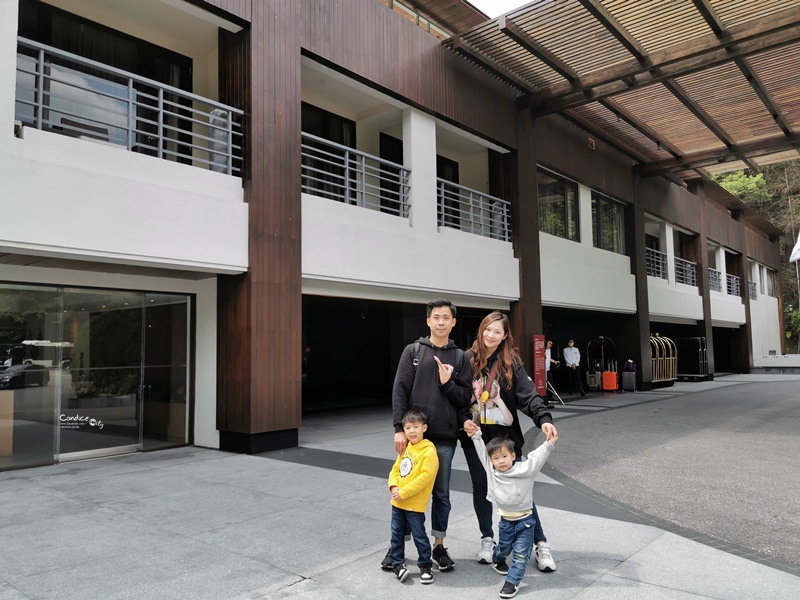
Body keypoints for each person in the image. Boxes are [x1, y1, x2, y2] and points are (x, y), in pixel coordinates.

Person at [455, 311, 558, 571]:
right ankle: (487, 539)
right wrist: (463, 418)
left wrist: (543, 417)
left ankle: (540, 543)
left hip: (506, 442)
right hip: (476, 439)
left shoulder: (510, 362)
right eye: (487, 329)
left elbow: (528, 394)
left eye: (497, 332)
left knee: (519, 493)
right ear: (481, 330)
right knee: (481, 489)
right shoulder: (465, 360)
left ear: (504, 336)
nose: (491, 335)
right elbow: (457, 398)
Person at [382, 298, 472, 572]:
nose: (441, 321)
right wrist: (399, 428)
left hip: (444, 437)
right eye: (436, 317)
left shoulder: (460, 358)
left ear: (453, 322)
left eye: (446, 317)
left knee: (441, 494)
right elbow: (400, 391)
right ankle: (397, 546)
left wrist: (447, 384)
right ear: (428, 321)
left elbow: (465, 397)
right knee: (405, 492)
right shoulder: (413, 352)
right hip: (412, 439)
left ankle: (438, 545)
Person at [468, 428, 557, 599]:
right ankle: (497, 559)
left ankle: (512, 582)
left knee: (521, 556)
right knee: (504, 548)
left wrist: (549, 444)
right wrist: (476, 436)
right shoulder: (492, 472)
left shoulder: (525, 471)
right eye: (496, 458)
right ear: (491, 461)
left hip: (526, 523)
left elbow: (536, 458)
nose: (500, 461)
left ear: (513, 456)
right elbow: (481, 453)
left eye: (504, 456)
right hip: (506, 522)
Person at [387, 410, 439, 584]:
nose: (411, 431)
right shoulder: (406, 448)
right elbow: (395, 469)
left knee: (419, 535)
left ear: (424, 428)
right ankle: (397, 563)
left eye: (415, 427)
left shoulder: (429, 452)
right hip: (397, 501)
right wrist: (394, 486)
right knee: (396, 534)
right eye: (408, 427)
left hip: (414, 503)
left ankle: (425, 565)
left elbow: (425, 478)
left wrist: (404, 492)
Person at [544, 340, 559, 405]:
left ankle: (551, 396)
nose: (550, 345)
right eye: (549, 344)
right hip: (543, 369)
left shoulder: (549, 350)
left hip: (548, 368)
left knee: (550, 382)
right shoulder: (543, 350)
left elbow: (548, 358)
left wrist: (554, 361)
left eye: (551, 344)